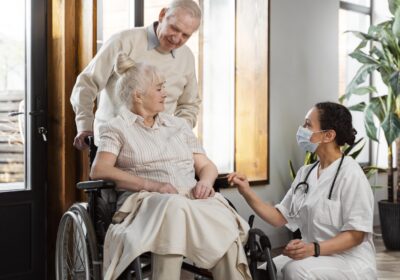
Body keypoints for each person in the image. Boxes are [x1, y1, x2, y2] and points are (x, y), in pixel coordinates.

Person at [90, 53, 251, 280]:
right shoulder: (117, 128)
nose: (165, 93)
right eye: (159, 88)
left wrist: (205, 182)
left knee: (216, 210)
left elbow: (206, 165)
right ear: (138, 95)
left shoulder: (178, 126)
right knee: (174, 206)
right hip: (146, 202)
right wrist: (153, 185)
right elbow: (100, 170)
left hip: (190, 198)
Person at [228, 102, 377, 280]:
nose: (302, 129)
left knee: (295, 271)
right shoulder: (305, 174)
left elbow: (356, 235)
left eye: (308, 124)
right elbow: (278, 217)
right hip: (315, 254)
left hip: (348, 260)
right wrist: (246, 191)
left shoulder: (351, 174)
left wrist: (313, 248)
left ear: (328, 135)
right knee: (263, 272)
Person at [71, 0, 202, 149]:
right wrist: (84, 125)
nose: (177, 38)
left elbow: (189, 105)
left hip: (159, 148)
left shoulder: (187, 57)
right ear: (162, 15)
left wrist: (175, 135)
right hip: (112, 145)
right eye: (174, 28)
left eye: (185, 35)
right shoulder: (123, 41)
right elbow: (86, 83)